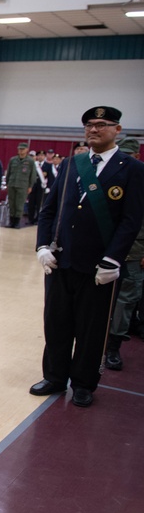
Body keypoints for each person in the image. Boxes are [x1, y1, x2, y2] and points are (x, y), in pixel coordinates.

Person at [33, 106, 144, 408]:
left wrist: (114, 260)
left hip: (99, 266)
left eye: (101, 125)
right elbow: (49, 210)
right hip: (61, 261)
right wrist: (42, 246)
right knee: (56, 324)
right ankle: (55, 377)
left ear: (117, 129)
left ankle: (83, 383)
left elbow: (131, 220)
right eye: (89, 126)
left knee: (91, 328)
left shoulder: (132, 169)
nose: (93, 130)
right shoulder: (72, 164)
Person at [105, 137, 144, 371]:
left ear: (137, 156)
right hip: (106, 252)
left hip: (134, 253)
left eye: (130, 155)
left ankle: (113, 347)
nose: (125, 160)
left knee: (125, 302)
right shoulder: (108, 179)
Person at [6, 142, 36, 228]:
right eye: (19, 149)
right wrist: (8, 183)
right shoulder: (13, 160)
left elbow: (32, 175)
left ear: (27, 150)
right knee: (11, 203)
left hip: (23, 185)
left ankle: (17, 222)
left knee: (19, 204)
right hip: (12, 184)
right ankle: (11, 221)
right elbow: (8, 172)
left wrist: (30, 186)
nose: (21, 151)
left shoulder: (30, 161)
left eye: (22, 149)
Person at [28, 149, 55, 224]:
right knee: (31, 203)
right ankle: (30, 219)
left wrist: (49, 187)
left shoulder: (48, 166)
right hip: (33, 186)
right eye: (39, 155)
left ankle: (38, 219)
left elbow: (50, 177)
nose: (40, 157)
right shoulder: (33, 165)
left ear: (45, 156)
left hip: (42, 187)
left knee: (40, 203)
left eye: (42, 155)